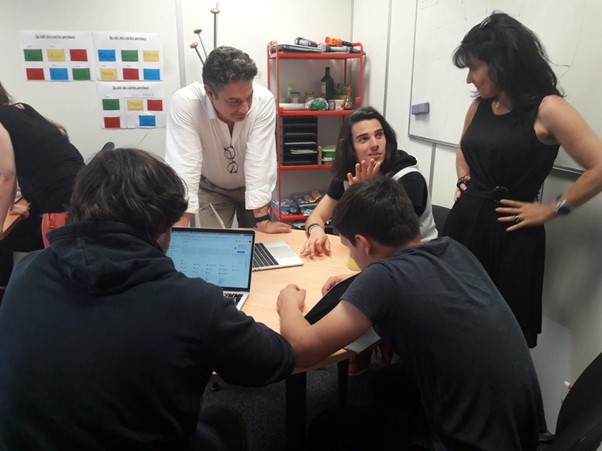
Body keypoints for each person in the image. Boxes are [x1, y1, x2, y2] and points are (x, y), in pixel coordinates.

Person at [0, 147, 295, 451]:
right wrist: (288, 309)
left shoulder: (26, 271)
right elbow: (274, 361)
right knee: (224, 419)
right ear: (161, 227)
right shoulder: (191, 301)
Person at [277, 176, 547, 451]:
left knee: (325, 427)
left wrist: (287, 301)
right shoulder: (452, 249)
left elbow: (302, 349)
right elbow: (407, 277)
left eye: (348, 246)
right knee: (389, 382)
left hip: (469, 443)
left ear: (364, 243)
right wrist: (360, 280)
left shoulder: (383, 281)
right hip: (521, 431)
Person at [441, 11, 602, 347]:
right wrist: (463, 180)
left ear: (502, 63)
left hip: (510, 238)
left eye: (474, 67)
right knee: (449, 326)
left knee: (497, 340)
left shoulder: (548, 109)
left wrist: (551, 209)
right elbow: (463, 149)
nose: (469, 79)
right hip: (464, 228)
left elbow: (599, 167)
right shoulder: (481, 106)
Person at [165, 46, 290, 233]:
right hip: (212, 188)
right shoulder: (186, 103)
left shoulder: (264, 101)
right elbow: (184, 165)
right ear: (209, 92)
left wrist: (263, 220)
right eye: (234, 101)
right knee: (215, 247)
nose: (245, 108)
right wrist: (178, 228)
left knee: (257, 247)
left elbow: (259, 160)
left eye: (249, 97)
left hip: (252, 187)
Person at [301, 106, 437, 258]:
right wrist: (316, 231)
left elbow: (382, 241)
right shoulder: (349, 174)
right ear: (351, 148)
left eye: (379, 135)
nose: (374, 144)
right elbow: (316, 216)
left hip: (416, 260)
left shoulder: (409, 179)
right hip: (369, 260)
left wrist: (362, 195)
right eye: (364, 139)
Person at [0, 81, 85, 247]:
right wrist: (10, 207)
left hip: (62, 204)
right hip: (83, 190)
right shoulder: (21, 109)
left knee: (61, 265)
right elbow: (12, 171)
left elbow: (6, 175)